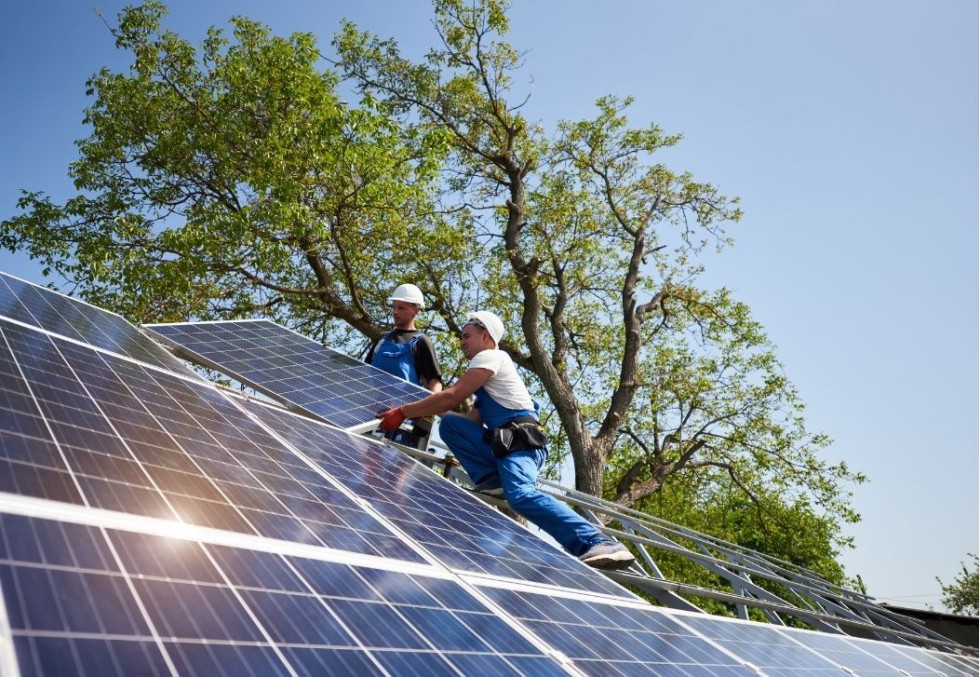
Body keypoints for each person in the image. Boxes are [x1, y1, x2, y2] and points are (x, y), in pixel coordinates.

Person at [377, 310, 635, 570]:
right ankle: (493, 480)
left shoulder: (491, 357)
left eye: (467, 336)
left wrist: (403, 411)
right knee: (452, 426)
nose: (461, 341)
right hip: (505, 445)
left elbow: (451, 396)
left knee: (521, 495)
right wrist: (424, 405)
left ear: (485, 336)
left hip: (521, 445)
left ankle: (598, 542)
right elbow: (469, 421)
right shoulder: (489, 381)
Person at [366, 283, 443, 447]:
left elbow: (435, 383)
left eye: (401, 308)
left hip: (404, 420)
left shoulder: (421, 342)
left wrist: (426, 410)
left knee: (397, 468)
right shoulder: (382, 340)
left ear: (416, 310)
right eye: (394, 307)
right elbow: (362, 375)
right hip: (373, 414)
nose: (395, 312)